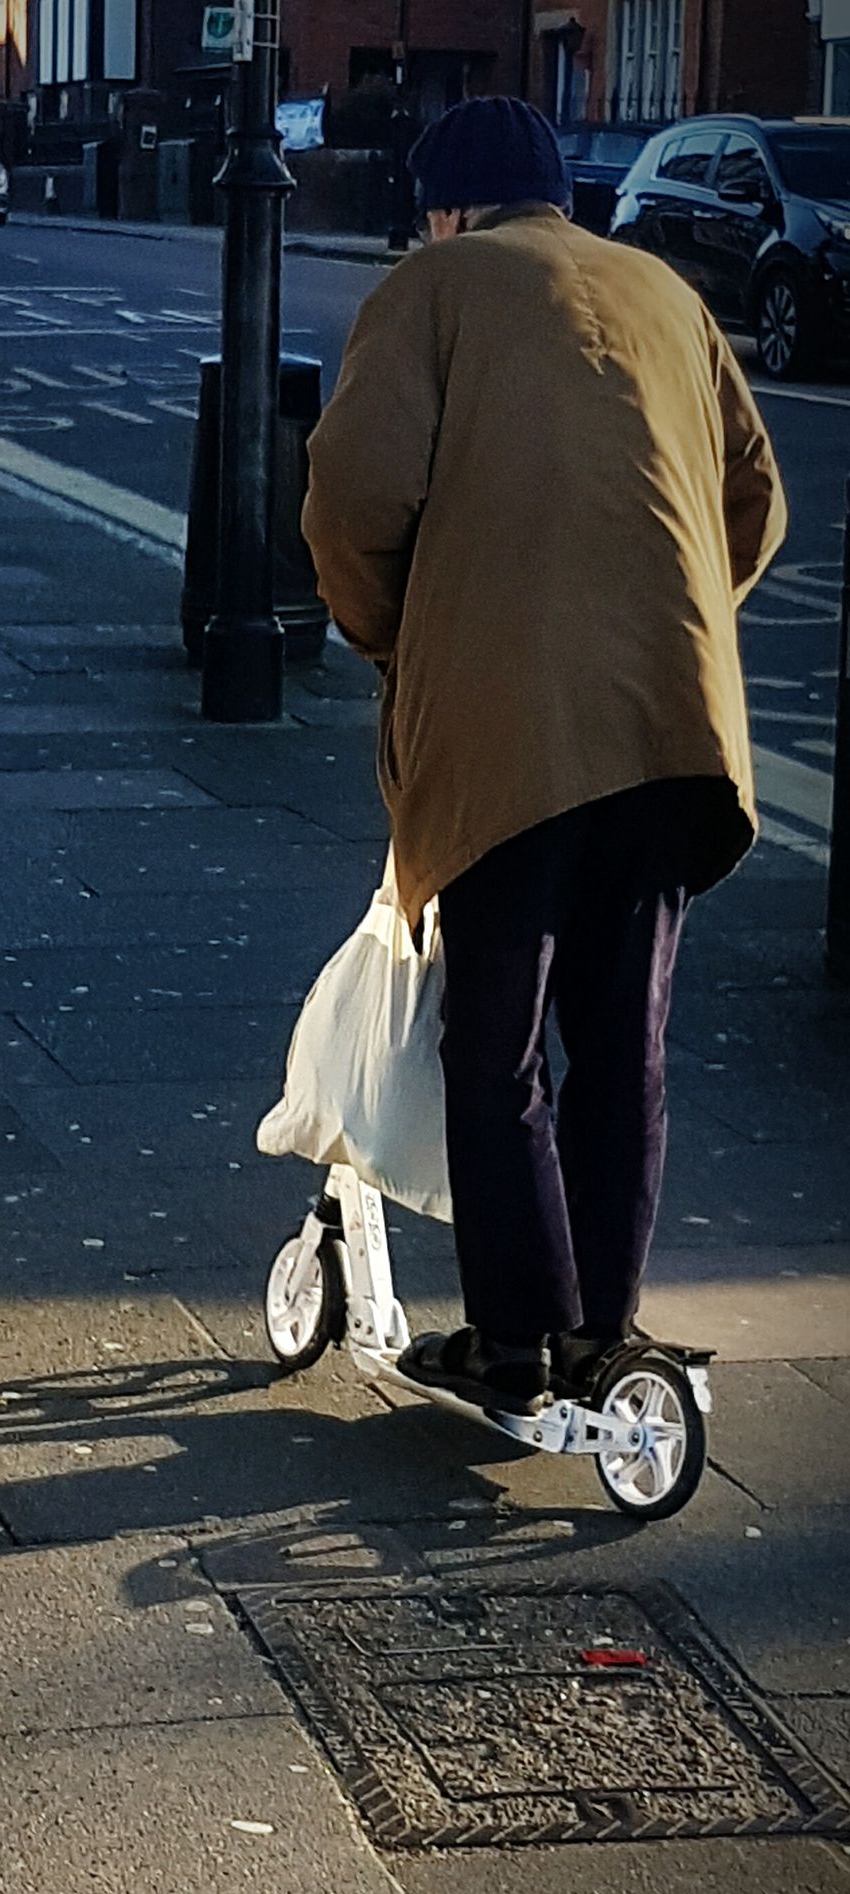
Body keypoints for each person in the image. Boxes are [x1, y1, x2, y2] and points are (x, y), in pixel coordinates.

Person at [301, 96, 787, 1417]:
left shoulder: (437, 288)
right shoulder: (663, 293)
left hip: (512, 738)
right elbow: (756, 505)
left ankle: (514, 1343)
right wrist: (658, 621)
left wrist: (398, 631)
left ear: (449, 210)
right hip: (675, 737)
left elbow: (352, 490)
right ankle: (599, 1338)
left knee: (497, 1045)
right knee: (624, 1047)